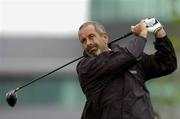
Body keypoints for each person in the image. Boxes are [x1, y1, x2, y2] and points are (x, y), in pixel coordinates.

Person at [76, 18, 177, 119]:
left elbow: (167, 63)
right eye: (83, 41)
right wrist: (142, 34)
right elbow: (129, 56)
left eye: (91, 37)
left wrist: (158, 31)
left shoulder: (128, 55)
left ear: (105, 37)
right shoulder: (85, 67)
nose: (88, 43)